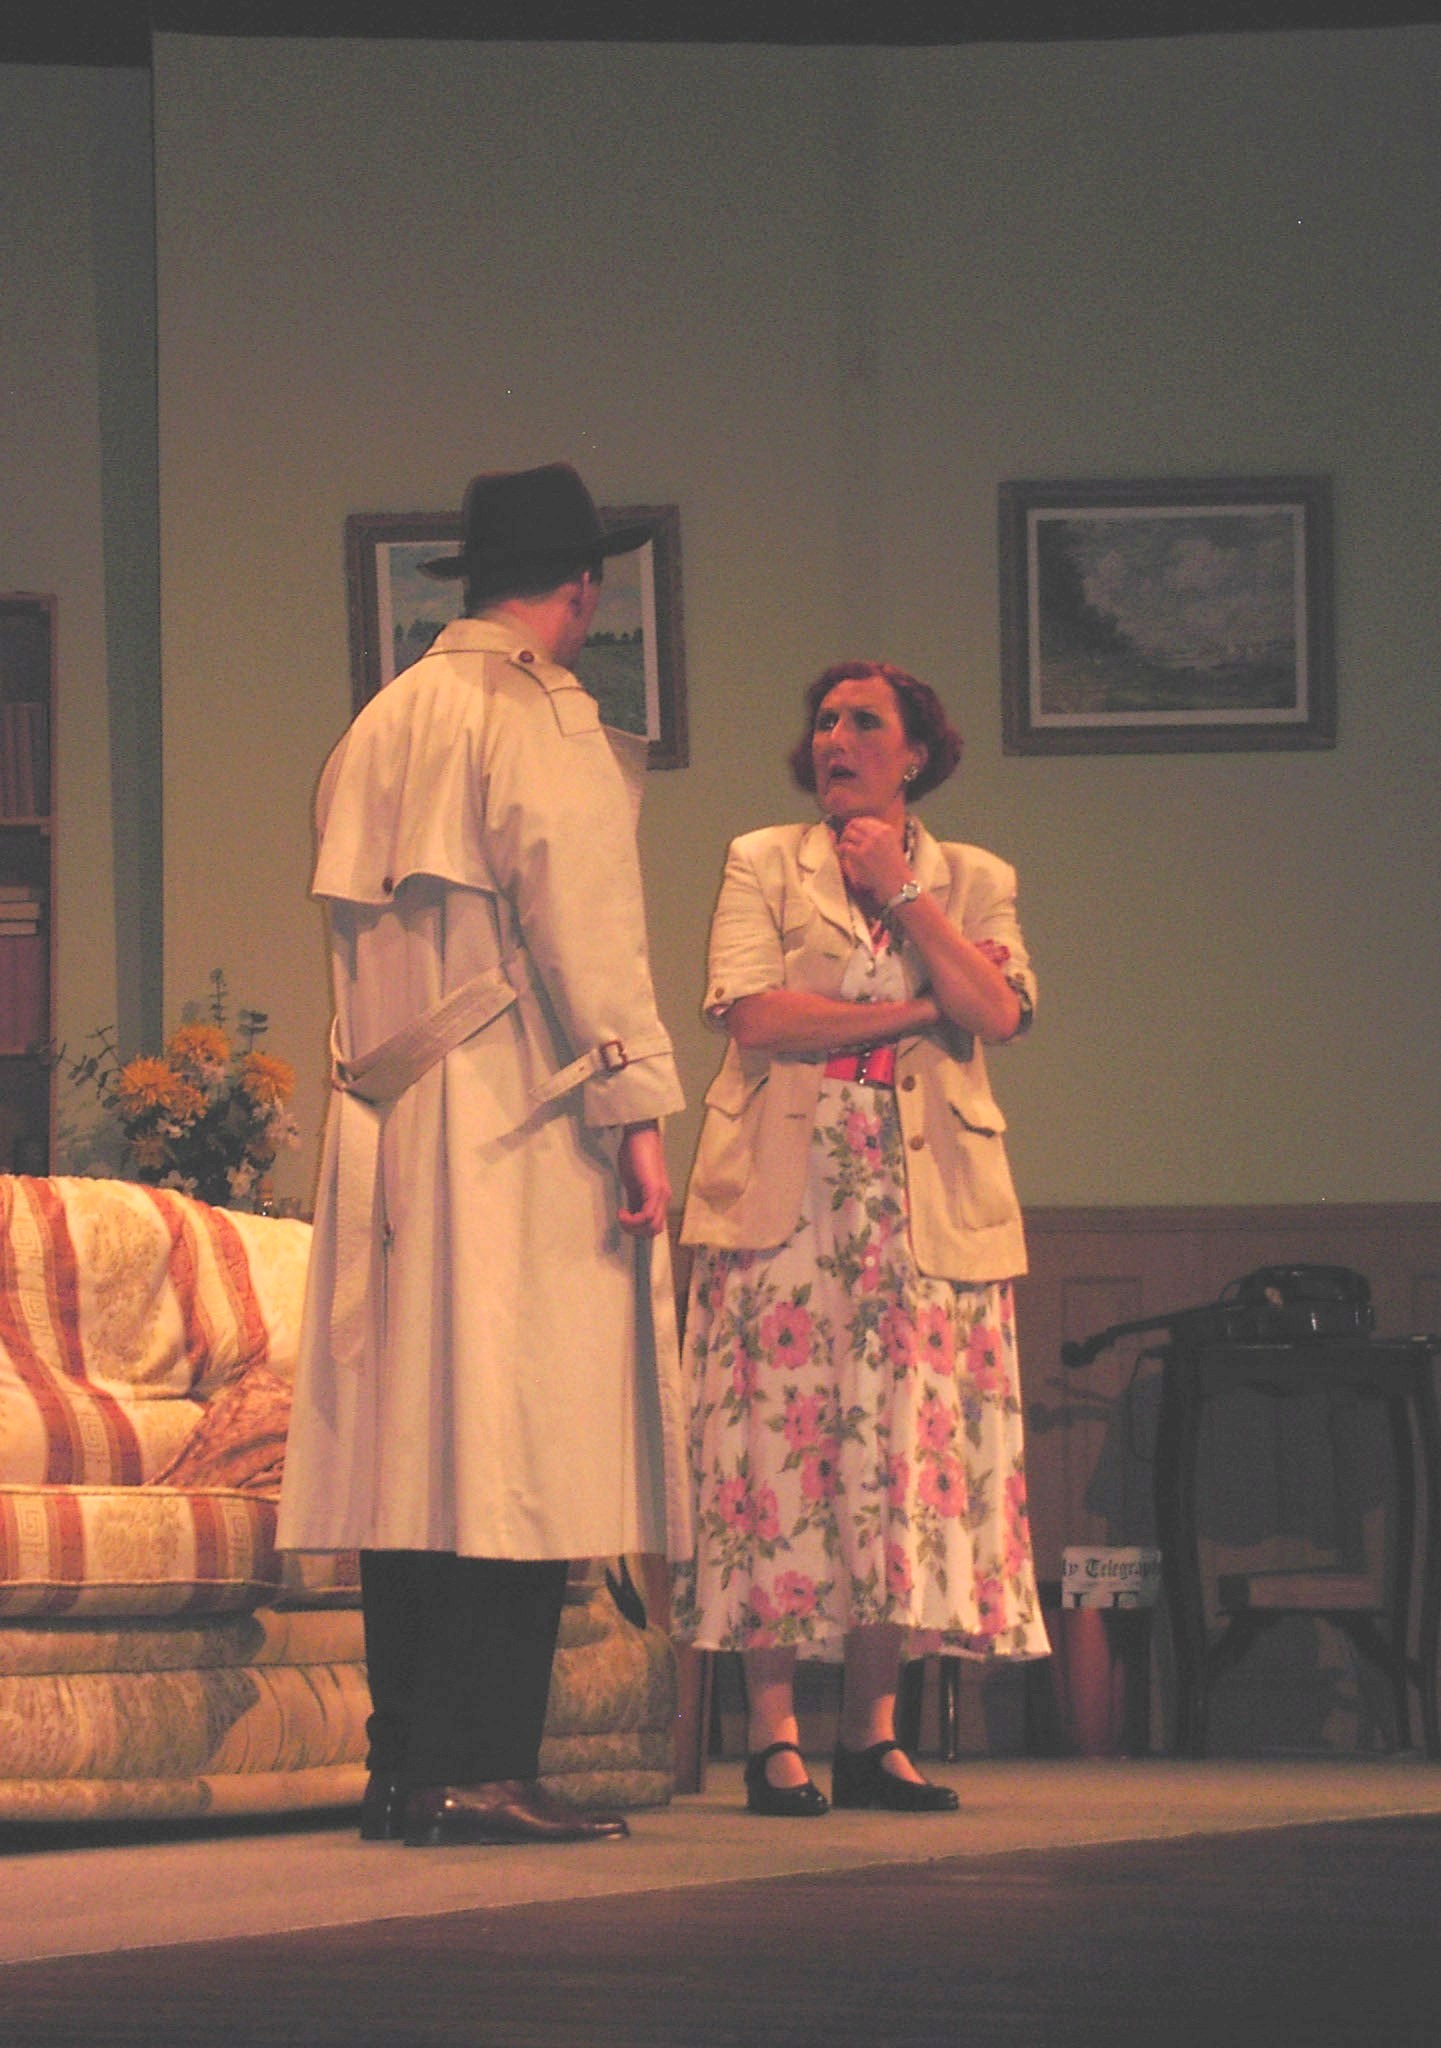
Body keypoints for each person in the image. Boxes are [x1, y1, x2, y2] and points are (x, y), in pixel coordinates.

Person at [277, 463, 689, 1847]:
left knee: (415, 1457)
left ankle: (406, 1766)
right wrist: (635, 1114)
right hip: (515, 1114)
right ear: (581, 589)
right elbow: (589, 931)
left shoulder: (382, 718)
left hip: (391, 1119)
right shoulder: (539, 713)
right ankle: (482, 1766)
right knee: (523, 1442)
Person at [674, 660, 1050, 1816]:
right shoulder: (761, 860)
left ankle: (873, 1733)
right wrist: (918, 1007)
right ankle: (774, 1733)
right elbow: (757, 1014)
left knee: (895, 1455)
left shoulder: (975, 877)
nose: (835, 736)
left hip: (924, 1202)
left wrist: (903, 892)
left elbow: (999, 1011)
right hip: (787, 1193)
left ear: (915, 753)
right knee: (773, 1455)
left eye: (864, 721)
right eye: (825, 719)